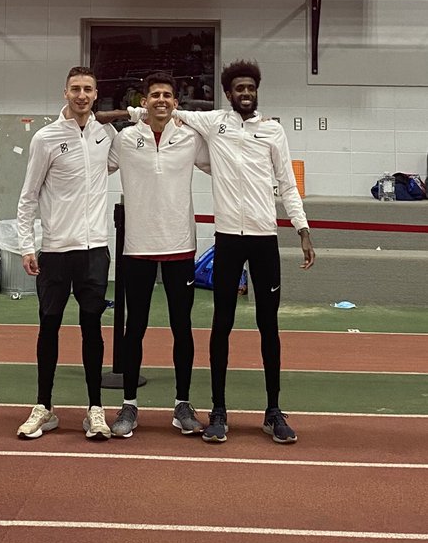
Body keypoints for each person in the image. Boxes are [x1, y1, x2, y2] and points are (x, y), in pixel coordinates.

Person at [131, 60, 315, 445]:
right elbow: (166, 110)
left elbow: (286, 184)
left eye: (251, 88)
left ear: (256, 92)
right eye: (239, 89)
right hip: (228, 239)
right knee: (222, 326)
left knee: (269, 326)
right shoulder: (215, 123)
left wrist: (301, 228)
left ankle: (273, 412)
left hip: (265, 239)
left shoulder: (273, 131)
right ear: (229, 94)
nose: (245, 94)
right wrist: (135, 110)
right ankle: (218, 411)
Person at [106, 71, 211, 439]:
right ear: (144, 101)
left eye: (167, 95)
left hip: (180, 245)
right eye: (155, 95)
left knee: (182, 329)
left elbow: (223, 164)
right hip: (137, 247)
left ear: (176, 102)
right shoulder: (125, 138)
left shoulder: (189, 138)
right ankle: (130, 406)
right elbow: (91, 166)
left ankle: (182, 405)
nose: (161, 100)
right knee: (134, 329)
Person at [16, 66, 116, 442]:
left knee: (92, 328)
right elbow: (28, 196)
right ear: (65, 93)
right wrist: (27, 245)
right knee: (50, 327)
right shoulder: (45, 138)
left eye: (88, 89)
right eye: (75, 89)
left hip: (94, 252)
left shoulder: (105, 135)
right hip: (56, 251)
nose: (81, 95)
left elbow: (132, 155)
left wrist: (132, 115)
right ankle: (44, 407)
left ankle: (95, 409)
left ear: (96, 94)